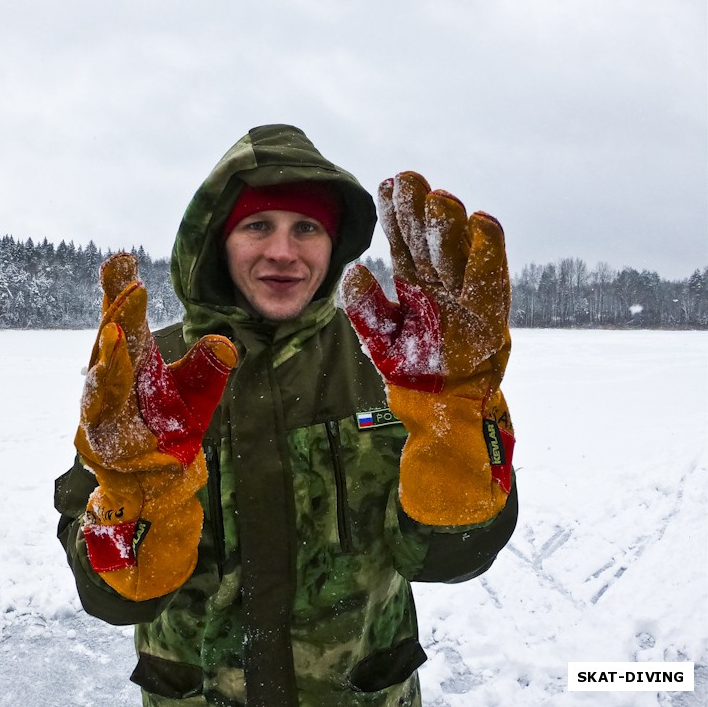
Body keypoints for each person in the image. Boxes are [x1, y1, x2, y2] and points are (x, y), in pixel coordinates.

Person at [54, 124, 518, 707]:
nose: (283, 251)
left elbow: (452, 557)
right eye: (257, 226)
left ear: (335, 243)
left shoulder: (394, 366)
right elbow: (112, 599)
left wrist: (456, 422)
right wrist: (137, 503)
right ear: (216, 242)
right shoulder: (150, 374)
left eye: (307, 227)